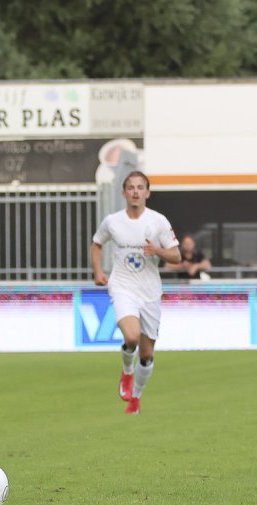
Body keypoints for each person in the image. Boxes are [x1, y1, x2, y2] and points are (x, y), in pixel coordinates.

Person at [90, 171, 180, 415]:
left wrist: (157, 251)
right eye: (131, 187)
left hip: (149, 292)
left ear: (147, 193)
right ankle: (127, 372)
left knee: (147, 354)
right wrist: (98, 271)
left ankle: (136, 398)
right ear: (124, 193)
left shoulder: (158, 221)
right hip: (123, 287)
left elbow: (176, 256)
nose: (136, 192)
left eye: (140, 187)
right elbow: (97, 244)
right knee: (131, 337)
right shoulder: (112, 221)